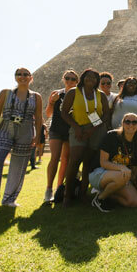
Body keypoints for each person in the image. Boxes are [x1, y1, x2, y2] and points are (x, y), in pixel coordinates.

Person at [0, 67, 43, 214]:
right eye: (19, 74)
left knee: (19, 166)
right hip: (5, 128)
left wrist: (37, 136)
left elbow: (39, 119)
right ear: (15, 77)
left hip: (26, 130)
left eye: (25, 74)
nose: (22, 77)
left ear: (31, 77)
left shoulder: (36, 97)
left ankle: (9, 199)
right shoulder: (6, 93)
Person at [61, 68, 110, 206]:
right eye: (88, 76)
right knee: (74, 160)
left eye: (94, 78)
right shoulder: (73, 92)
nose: (91, 79)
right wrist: (76, 127)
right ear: (83, 78)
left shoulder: (100, 95)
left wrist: (93, 129)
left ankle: (83, 194)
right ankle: (67, 194)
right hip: (78, 128)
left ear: (97, 81)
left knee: (88, 162)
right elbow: (64, 112)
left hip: (97, 129)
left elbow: (106, 114)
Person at [88, 113, 137, 212]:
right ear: (122, 123)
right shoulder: (112, 136)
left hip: (121, 177)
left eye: (134, 122)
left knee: (135, 202)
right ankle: (99, 199)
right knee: (124, 174)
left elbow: (135, 169)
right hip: (99, 173)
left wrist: (135, 181)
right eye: (127, 122)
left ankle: (108, 194)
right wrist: (122, 168)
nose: (131, 125)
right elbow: (103, 162)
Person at [44, 70, 78, 202]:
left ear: (77, 82)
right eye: (67, 78)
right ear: (63, 79)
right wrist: (52, 102)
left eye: (73, 79)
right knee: (55, 157)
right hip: (57, 129)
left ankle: (59, 188)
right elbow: (48, 114)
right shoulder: (56, 93)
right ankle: (48, 188)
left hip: (70, 130)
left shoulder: (79, 95)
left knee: (66, 159)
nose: (70, 81)